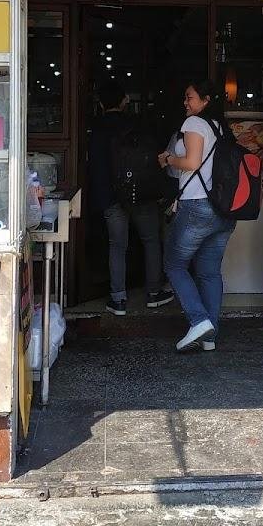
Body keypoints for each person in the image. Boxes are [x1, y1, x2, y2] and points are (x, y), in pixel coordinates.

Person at [158, 79, 236, 352]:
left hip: (197, 206)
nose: (185, 102)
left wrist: (168, 159)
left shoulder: (192, 124)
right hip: (222, 211)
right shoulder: (218, 127)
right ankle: (209, 337)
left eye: (189, 97)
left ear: (205, 100)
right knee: (209, 273)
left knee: (174, 265)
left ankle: (199, 320)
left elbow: (191, 163)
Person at [88, 83, 174, 316]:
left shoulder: (98, 129)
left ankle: (118, 300)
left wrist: (102, 198)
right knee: (151, 240)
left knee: (117, 246)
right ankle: (154, 293)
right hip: (142, 194)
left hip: (112, 197)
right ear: (124, 101)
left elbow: (96, 167)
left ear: (101, 103)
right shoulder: (137, 124)